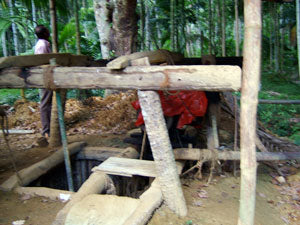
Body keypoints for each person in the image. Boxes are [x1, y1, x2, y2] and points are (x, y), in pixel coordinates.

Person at [34, 25, 52, 138]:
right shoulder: (43, 45)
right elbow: (42, 61)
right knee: (45, 103)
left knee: (48, 102)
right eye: (47, 30)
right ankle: (46, 129)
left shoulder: (43, 44)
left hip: (46, 75)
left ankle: (49, 127)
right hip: (45, 76)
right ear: (45, 33)